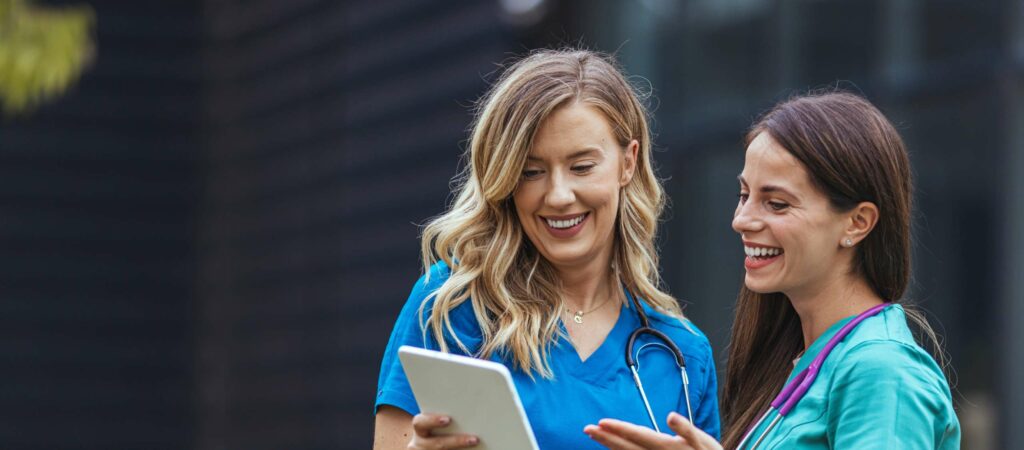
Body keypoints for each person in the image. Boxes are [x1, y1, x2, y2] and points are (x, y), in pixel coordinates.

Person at [372, 49, 721, 450]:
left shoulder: (683, 356)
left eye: (582, 166)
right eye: (531, 172)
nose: (557, 196)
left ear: (628, 162)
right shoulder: (452, 305)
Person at [586, 92, 960, 449]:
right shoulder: (807, 358)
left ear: (857, 223)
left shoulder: (880, 371)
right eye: (744, 195)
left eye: (777, 204)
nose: (741, 220)